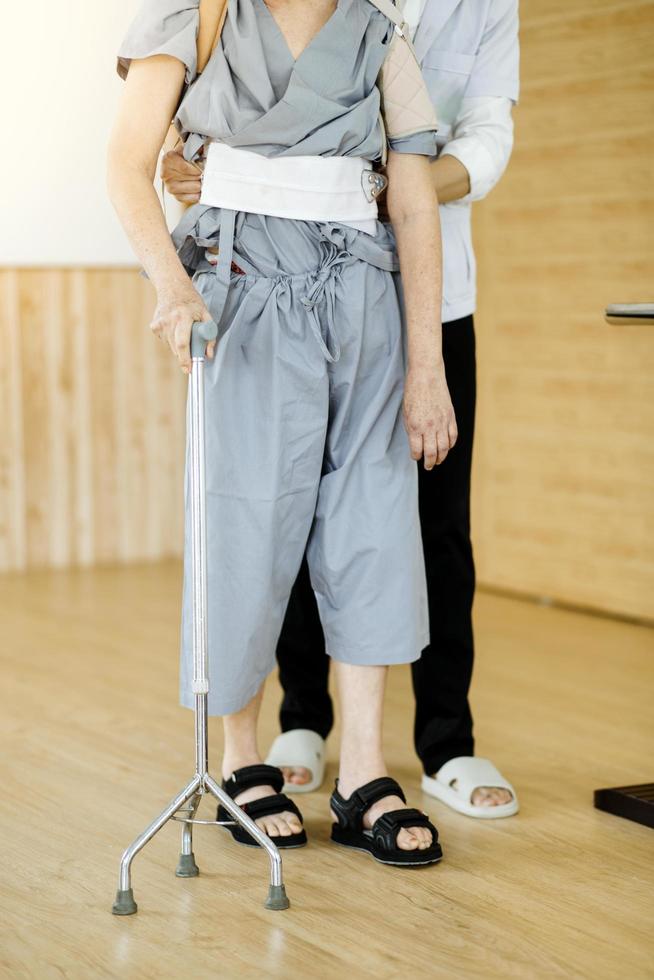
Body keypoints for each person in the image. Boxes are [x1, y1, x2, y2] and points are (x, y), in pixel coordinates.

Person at [108, 0, 455, 866]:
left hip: (363, 298)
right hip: (243, 294)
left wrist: (427, 366)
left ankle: (366, 772)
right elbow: (123, 165)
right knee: (246, 526)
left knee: (376, 526)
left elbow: (412, 203)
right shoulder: (196, 18)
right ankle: (239, 758)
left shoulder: (379, 33)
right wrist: (171, 286)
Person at [161, 0, 521, 819]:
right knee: (272, 515)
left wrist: (387, 172)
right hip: (275, 279)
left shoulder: (477, 10)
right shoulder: (251, 13)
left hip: (421, 291)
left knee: (412, 526)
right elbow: (169, 141)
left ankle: (440, 745)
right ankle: (295, 726)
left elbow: (486, 144)